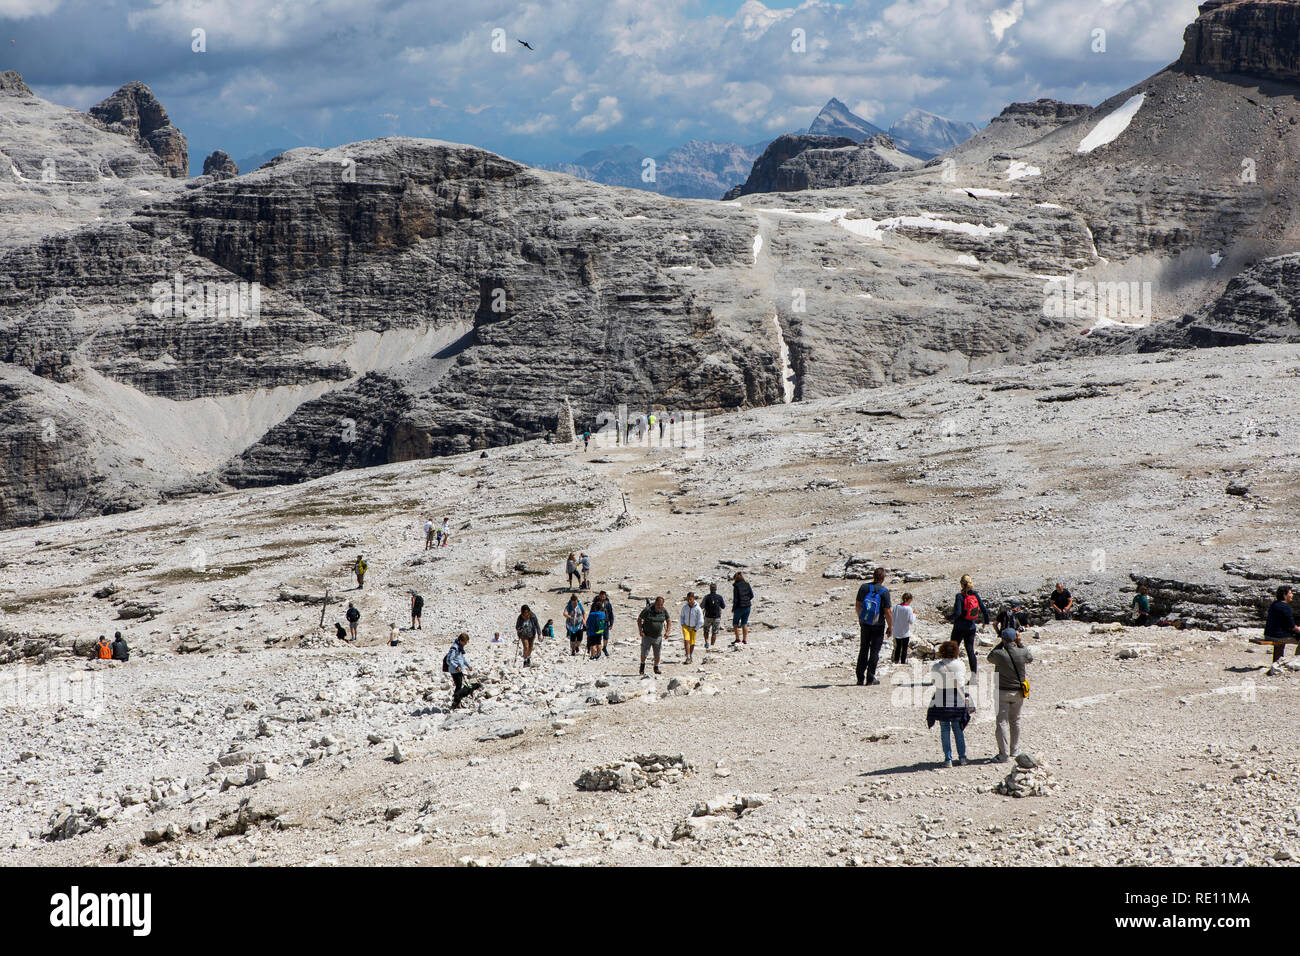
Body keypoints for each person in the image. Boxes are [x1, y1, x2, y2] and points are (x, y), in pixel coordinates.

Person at [988, 626, 1033, 762]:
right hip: (1018, 692)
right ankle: (1014, 749)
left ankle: (1003, 754)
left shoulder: (999, 654)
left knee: (1001, 722)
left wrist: (1001, 643)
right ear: (1015, 638)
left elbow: (989, 657)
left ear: (1003, 639)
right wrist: (1020, 642)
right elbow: (1030, 658)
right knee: (1015, 720)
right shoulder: (1022, 651)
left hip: (1002, 691)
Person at [926, 641, 970, 767]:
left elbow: (934, 681)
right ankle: (962, 758)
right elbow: (963, 680)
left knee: (945, 730)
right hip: (958, 702)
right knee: (958, 729)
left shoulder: (936, 667)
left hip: (942, 702)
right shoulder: (961, 664)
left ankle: (948, 759)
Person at [854, 566, 892, 685]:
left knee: (863, 649)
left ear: (873, 576)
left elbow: (858, 605)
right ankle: (870, 678)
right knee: (874, 651)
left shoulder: (864, 587)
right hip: (878, 625)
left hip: (865, 623)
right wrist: (890, 627)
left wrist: (860, 618)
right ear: (883, 578)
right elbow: (887, 612)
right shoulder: (884, 592)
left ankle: (860, 678)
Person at [950, 574, 989, 674]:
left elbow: (958, 613)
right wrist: (986, 621)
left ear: (961, 584)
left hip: (959, 628)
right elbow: (984, 609)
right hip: (971, 627)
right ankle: (973, 677)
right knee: (970, 651)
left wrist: (948, 618)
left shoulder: (959, 596)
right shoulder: (975, 594)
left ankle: (954, 675)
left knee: (953, 650)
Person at [1264, 585, 1300, 664]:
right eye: (1290, 593)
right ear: (1284, 595)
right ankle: (1297, 660)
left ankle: (1276, 662)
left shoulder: (1274, 604)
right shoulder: (1285, 607)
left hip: (1268, 634)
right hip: (1277, 636)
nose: (1292, 595)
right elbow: (1293, 626)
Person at [638, 596, 671, 675]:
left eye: (661, 605)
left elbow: (668, 620)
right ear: (655, 603)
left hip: (658, 637)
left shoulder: (664, 610)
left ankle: (656, 668)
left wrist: (667, 632)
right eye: (658, 604)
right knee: (644, 653)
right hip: (647, 636)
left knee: (657, 654)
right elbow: (639, 619)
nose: (659, 606)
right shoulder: (648, 610)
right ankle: (642, 667)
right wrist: (640, 631)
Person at [445, 633, 479, 709]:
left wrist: (468, 665)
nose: (466, 644)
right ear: (461, 641)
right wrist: (456, 667)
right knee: (458, 686)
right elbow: (450, 660)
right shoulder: (454, 648)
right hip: (455, 671)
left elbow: (462, 658)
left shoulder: (459, 647)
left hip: (458, 670)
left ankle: (458, 703)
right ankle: (456, 703)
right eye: (465, 642)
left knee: (459, 686)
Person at [891, 592, 915, 664]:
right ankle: (903, 662)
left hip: (896, 631)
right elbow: (911, 621)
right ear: (910, 600)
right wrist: (914, 614)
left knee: (897, 647)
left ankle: (896, 661)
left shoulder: (896, 607)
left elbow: (892, 618)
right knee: (904, 648)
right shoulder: (909, 609)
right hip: (905, 632)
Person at [680, 591, 704, 664]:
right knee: (686, 641)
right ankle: (688, 657)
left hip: (694, 627)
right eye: (688, 599)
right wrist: (682, 624)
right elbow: (682, 616)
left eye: (690, 599)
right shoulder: (685, 607)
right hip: (686, 627)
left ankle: (690, 655)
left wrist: (696, 628)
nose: (689, 601)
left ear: (693, 599)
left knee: (692, 642)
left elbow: (701, 620)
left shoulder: (698, 608)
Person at [731, 571, 754, 645]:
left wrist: (733, 608)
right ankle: (744, 640)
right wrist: (747, 600)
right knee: (744, 623)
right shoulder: (747, 584)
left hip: (739, 607)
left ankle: (737, 639)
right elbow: (752, 595)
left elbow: (736, 599)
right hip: (747, 606)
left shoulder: (736, 586)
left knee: (735, 623)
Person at [701, 583, 725, 649]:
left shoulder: (706, 597)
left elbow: (701, 606)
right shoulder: (719, 597)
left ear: (710, 589)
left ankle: (706, 642)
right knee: (714, 632)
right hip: (717, 617)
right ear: (716, 589)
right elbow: (723, 606)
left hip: (708, 616)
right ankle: (712, 645)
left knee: (706, 630)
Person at [591, 590, 614, 656]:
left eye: (604, 597)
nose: (602, 598)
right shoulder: (595, 604)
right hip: (598, 623)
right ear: (599, 596)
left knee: (606, 637)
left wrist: (611, 623)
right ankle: (599, 650)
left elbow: (610, 613)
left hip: (606, 622)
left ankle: (604, 648)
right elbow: (591, 613)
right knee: (598, 637)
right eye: (601, 597)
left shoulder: (607, 604)